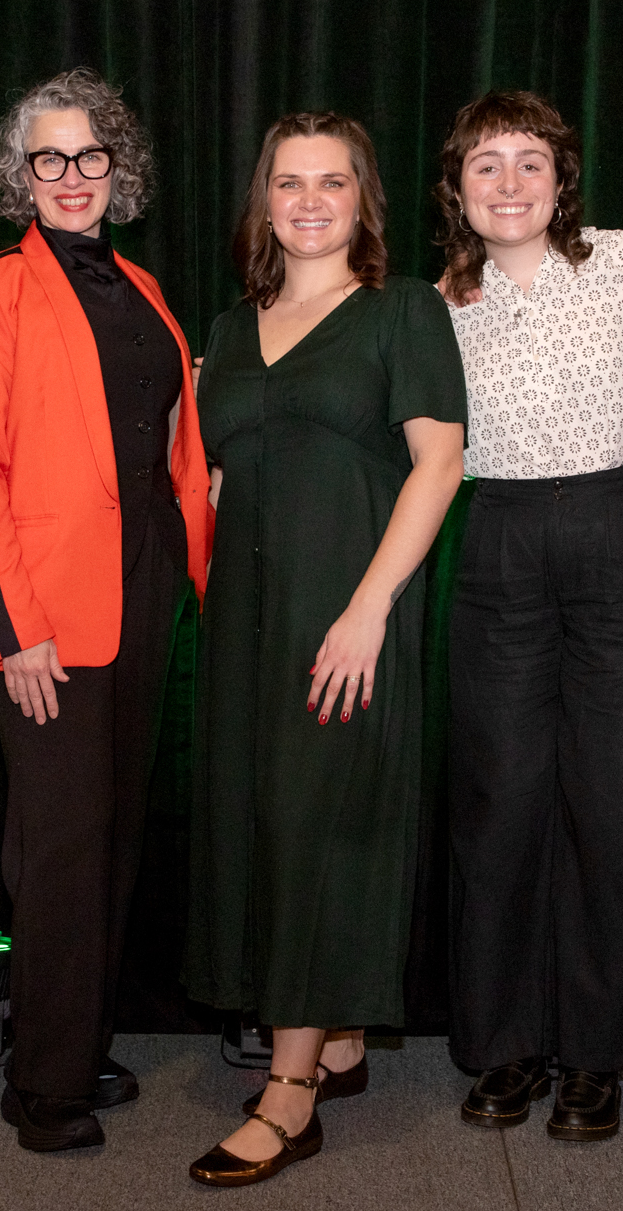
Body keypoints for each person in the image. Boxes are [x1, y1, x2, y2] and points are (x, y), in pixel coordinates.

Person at [184, 112, 467, 1187]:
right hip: (243, 627)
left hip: (344, 616)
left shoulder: (401, 312)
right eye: (289, 183)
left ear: (363, 201)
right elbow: (218, 478)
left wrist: (368, 607)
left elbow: (438, 463)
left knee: (312, 827)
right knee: (262, 823)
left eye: (331, 182)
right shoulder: (229, 326)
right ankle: (335, 1039)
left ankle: (290, 1092)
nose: (309, 201)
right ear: (264, 202)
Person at [0, 67, 212, 1154]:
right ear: (20, 174)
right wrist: (10, 628)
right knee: (59, 842)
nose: (69, 174)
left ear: (116, 167)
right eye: (46, 157)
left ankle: (79, 1036)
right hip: (42, 607)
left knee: (115, 831)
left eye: (88, 154)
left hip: (143, 584)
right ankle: (42, 1084)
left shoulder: (142, 287)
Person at [437, 91, 623, 1142]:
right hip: (498, 545)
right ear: (456, 190)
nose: (509, 183)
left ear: (561, 181)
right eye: (485, 165)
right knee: (500, 806)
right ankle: (505, 1044)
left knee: (621, 806)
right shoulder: (435, 305)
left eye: (529, 162)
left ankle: (596, 1052)